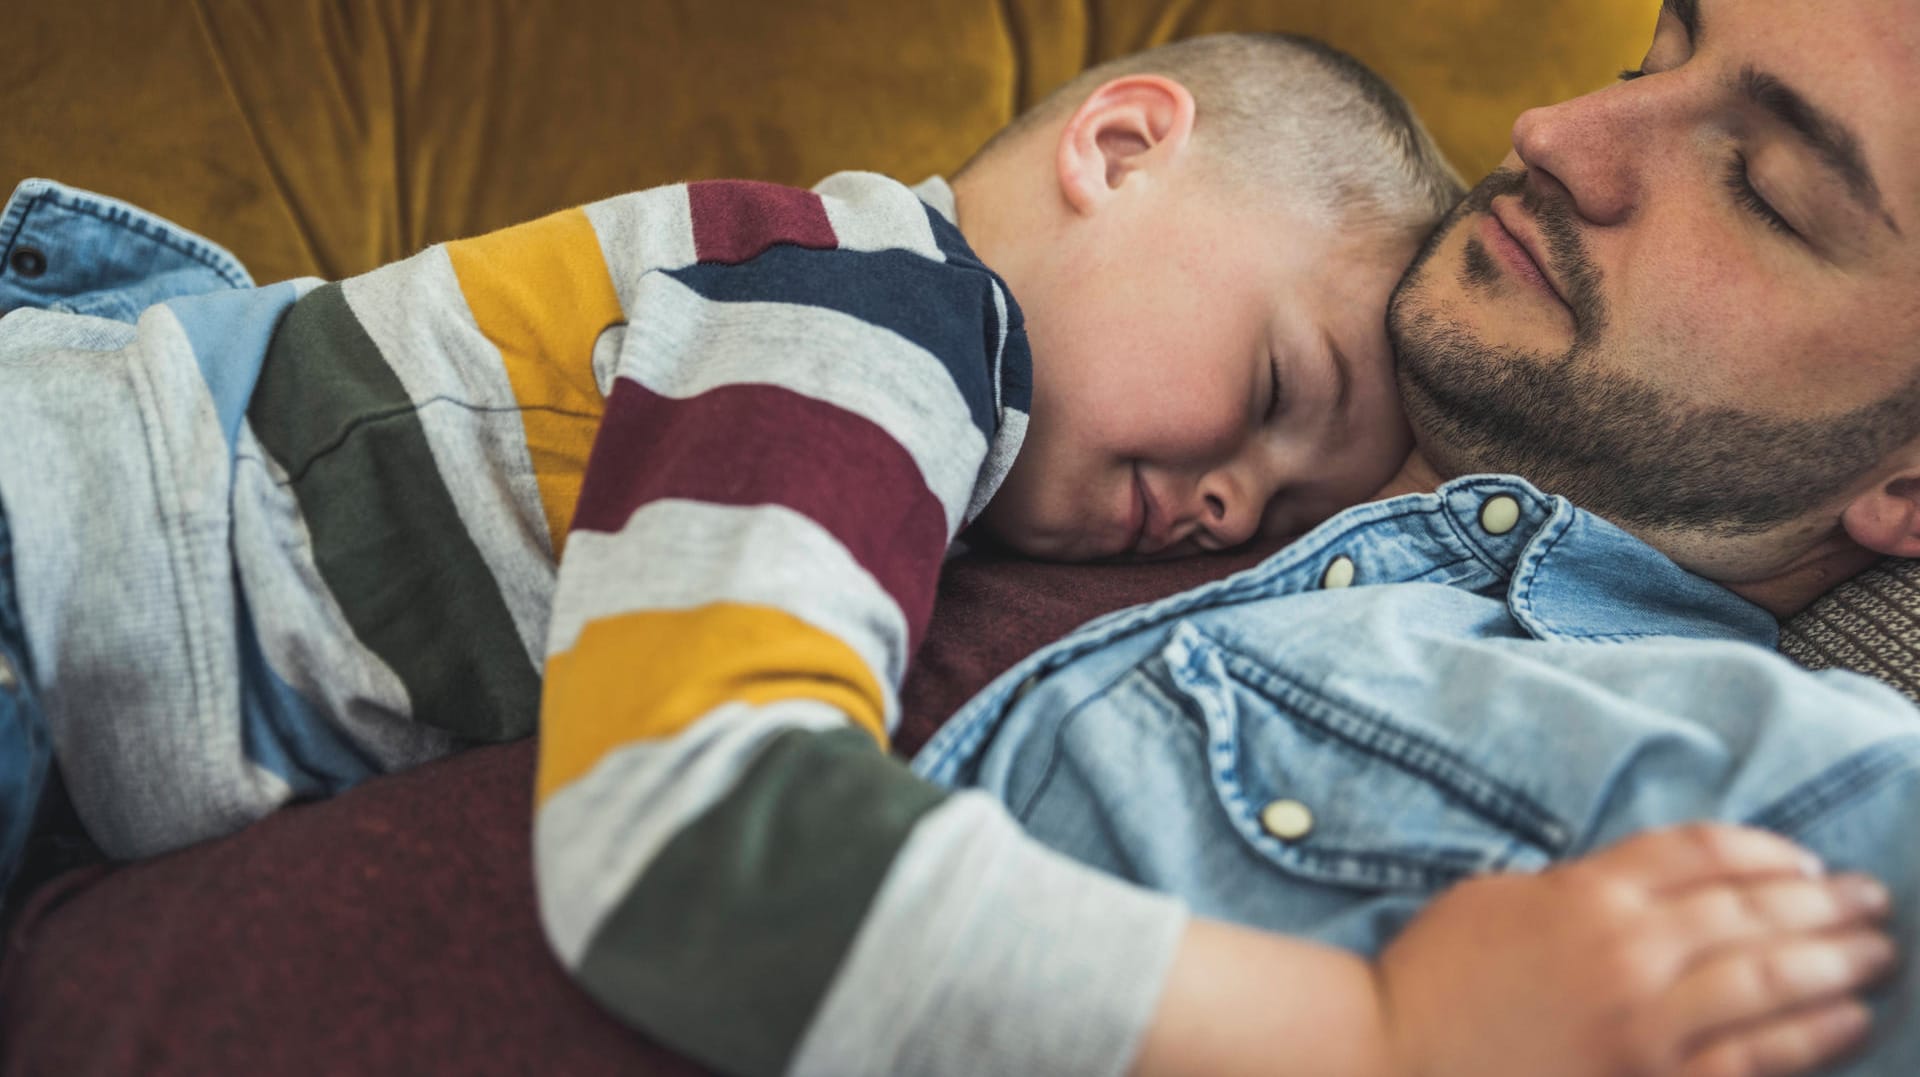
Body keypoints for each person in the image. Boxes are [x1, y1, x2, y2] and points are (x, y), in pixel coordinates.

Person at [0, 27, 1892, 1077]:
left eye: (1774, 183)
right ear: (1120, 151)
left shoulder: (1750, 783)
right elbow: (697, 821)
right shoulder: (870, 330)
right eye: (1664, 34)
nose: (1560, 128)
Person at [916, 0, 1920, 1074]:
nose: (1556, 134)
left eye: (1762, 192)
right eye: (1647, 65)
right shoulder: (1106, 311)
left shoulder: (1795, 797)